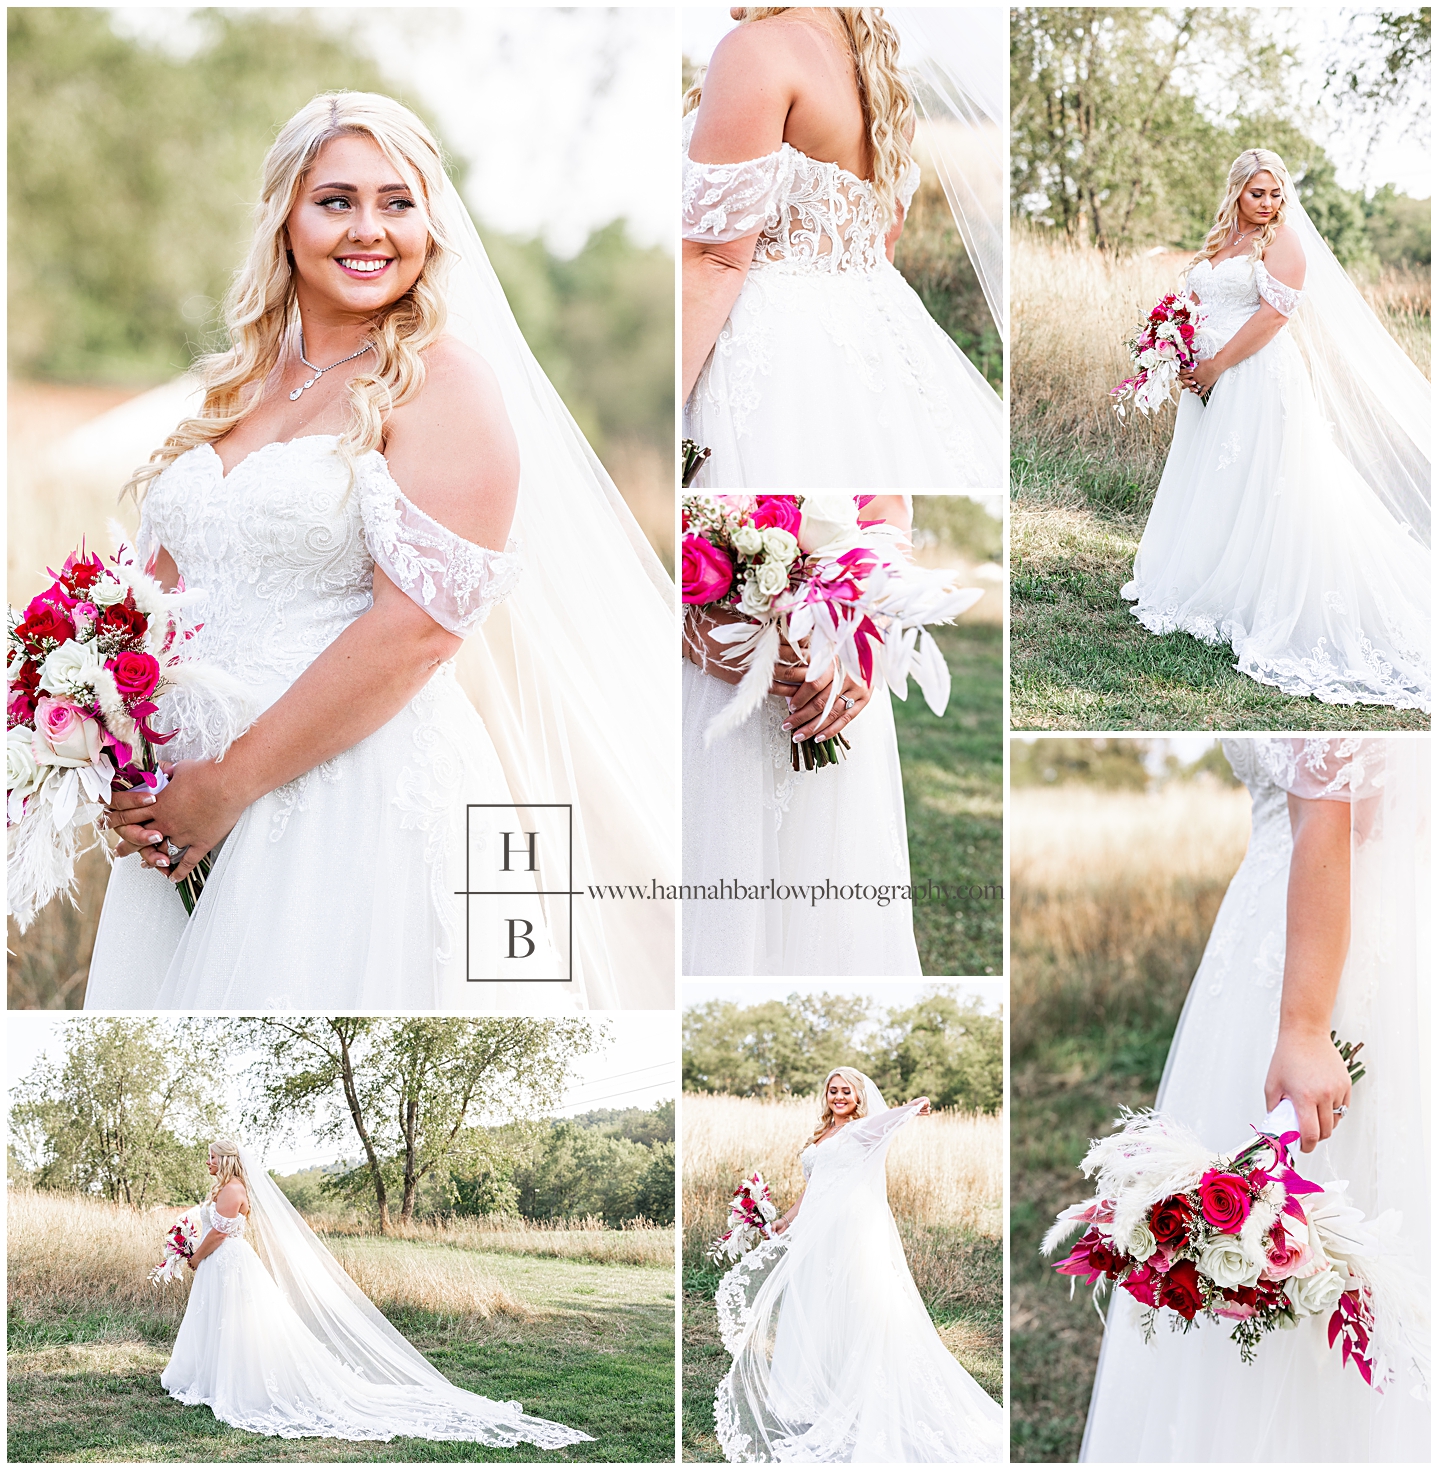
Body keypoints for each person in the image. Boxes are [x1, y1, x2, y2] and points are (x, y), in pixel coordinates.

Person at [85, 93, 674, 1011]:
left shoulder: (445, 382)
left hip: (346, 799)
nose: (370, 230)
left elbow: (421, 632)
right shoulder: (238, 383)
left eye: (397, 202)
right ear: (286, 216)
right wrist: (113, 747)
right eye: (337, 201)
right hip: (183, 808)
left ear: (431, 223)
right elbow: (156, 607)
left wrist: (229, 784)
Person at [1081, 737, 1431, 1461]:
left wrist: (1303, 1027)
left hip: (1322, 941)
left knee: (1338, 1207)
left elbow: (1328, 811)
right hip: (1430, 938)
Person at [1121, 150, 1431, 721]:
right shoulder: (1222, 239)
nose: (1268, 204)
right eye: (1257, 194)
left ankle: (1262, 596)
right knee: (1218, 483)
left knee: (1268, 485)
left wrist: (1217, 365)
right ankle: (1210, 578)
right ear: (1236, 191)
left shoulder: (1283, 241)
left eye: (1274, 194)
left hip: (1255, 377)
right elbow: (1199, 299)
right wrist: (1172, 343)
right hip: (1208, 380)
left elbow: (1273, 318)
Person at [682, 7, 1005, 488]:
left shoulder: (757, 50)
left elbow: (717, 259)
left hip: (772, 352)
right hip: (878, 336)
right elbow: (884, 243)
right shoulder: (882, 81)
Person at [161, 1140, 591, 1448]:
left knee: (242, 1324)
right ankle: (210, 1378)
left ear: (228, 1160)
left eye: (212, 1157)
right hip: (220, 1265)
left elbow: (220, 1231)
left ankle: (241, 1384)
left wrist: (195, 1257)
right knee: (219, 1322)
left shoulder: (234, 1189)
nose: (207, 1162)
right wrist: (187, 1249)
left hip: (229, 1264)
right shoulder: (222, 1188)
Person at [681, 494, 921, 975]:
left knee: (830, 907)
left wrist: (871, 633)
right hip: (712, 679)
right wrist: (686, 627)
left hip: (836, 654)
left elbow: (887, 516)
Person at [713, 1067, 1005, 1462]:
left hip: (849, 1231)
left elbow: (884, 1123)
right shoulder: (822, 1135)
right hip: (818, 1234)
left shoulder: (858, 1130)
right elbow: (815, 1185)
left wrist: (910, 1108)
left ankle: (863, 1392)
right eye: (832, 1090)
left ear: (858, 1096)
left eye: (846, 1091)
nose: (837, 1096)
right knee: (820, 1307)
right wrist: (786, 1218)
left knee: (861, 1305)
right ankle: (823, 1389)